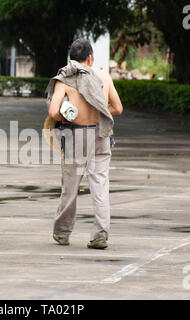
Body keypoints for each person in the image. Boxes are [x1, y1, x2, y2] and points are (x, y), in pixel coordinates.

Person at [45, 39, 123, 250]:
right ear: (90, 58)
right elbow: (117, 108)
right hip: (100, 136)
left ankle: (62, 233)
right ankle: (100, 235)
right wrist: (99, 107)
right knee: (100, 187)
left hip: (75, 137)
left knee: (69, 188)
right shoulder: (104, 77)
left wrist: (67, 111)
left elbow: (53, 112)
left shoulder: (65, 79)